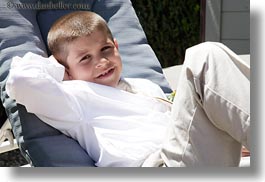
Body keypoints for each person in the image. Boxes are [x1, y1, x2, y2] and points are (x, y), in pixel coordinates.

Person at [6, 11, 250, 167]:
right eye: (85, 58)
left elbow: (185, 130)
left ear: (116, 46)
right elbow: (21, 82)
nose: (101, 62)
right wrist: (59, 69)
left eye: (105, 50)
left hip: (188, 157)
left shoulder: (145, 86)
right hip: (156, 167)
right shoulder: (73, 98)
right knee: (203, 56)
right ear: (67, 71)